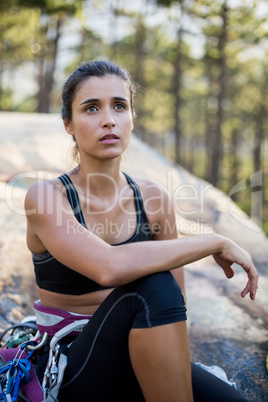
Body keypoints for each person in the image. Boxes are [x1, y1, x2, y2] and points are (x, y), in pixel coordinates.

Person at [24, 60, 258, 402]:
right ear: (68, 124)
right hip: (76, 367)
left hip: (144, 350)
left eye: (120, 106)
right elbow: (109, 267)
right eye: (91, 108)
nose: (109, 119)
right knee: (150, 283)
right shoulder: (46, 196)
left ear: (132, 117)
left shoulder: (154, 199)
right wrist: (213, 241)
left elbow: (176, 304)